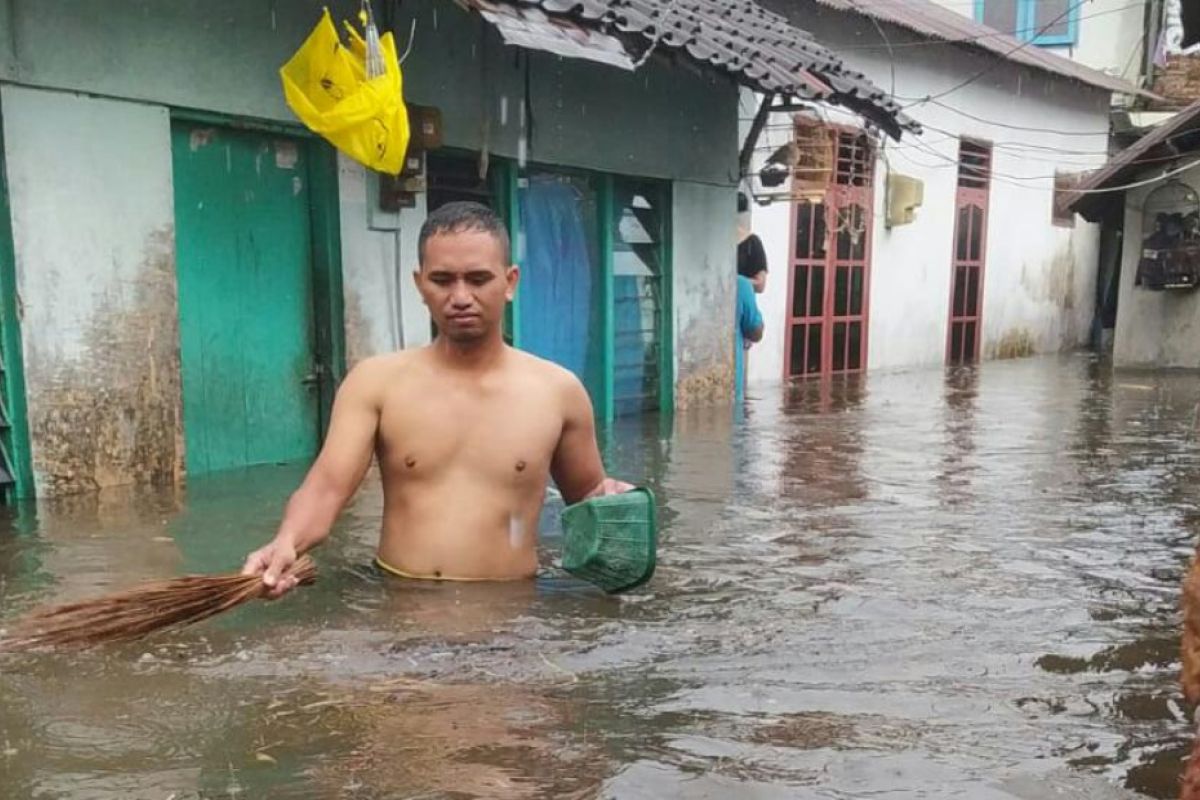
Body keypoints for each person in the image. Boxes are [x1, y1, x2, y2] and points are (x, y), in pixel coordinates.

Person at [242, 201, 632, 595]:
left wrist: (614, 502)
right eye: (442, 280)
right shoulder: (376, 383)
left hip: (514, 617)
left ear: (510, 281)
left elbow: (586, 503)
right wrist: (287, 541)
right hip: (400, 605)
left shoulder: (557, 391)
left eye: (479, 279)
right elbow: (326, 487)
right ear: (419, 284)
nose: (460, 297)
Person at [737, 192, 768, 294]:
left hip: (741, 301)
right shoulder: (714, 241)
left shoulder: (752, 242)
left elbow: (760, 285)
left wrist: (735, 280)